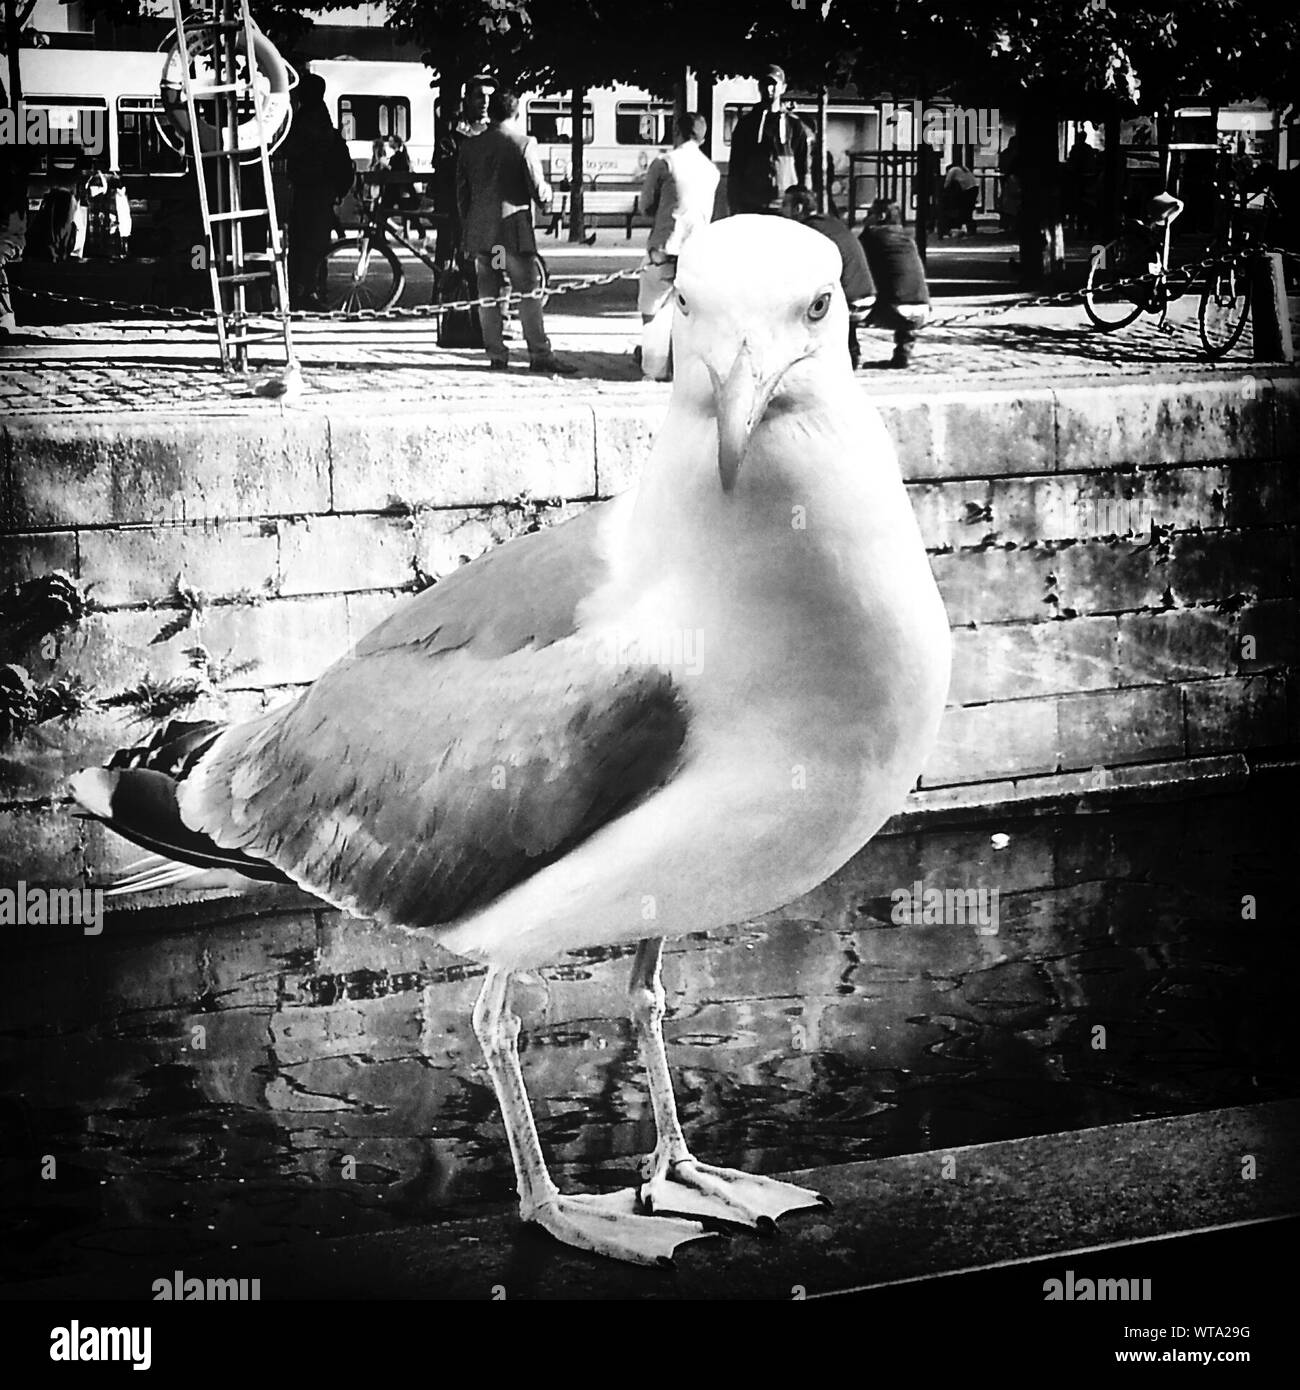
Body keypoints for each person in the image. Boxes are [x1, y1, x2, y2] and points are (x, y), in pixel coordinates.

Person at [457, 89, 576, 374]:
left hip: (485, 240)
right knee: (527, 292)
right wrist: (548, 198)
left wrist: (468, 231)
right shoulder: (523, 143)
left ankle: (497, 354)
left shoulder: (470, 147)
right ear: (516, 113)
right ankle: (539, 353)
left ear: (492, 112)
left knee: (490, 293)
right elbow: (536, 186)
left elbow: (462, 195)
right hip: (511, 236)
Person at [636, 111, 719, 380]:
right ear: (703, 137)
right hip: (698, 252)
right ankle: (684, 367)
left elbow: (645, 205)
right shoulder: (712, 170)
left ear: (677, 131)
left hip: (664, 246)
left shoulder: (665, 163)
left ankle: (654, 367)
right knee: (689, 313)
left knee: (652, 308)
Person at [780, 185, 875, 368]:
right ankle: (851, 351)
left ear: (798, 208)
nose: (781, 210)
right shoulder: (832, 223)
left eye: (785, 204)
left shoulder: (808, 232)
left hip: (848, 303)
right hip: (866, 296)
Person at [283, 73, 351, 310]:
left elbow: (292, 154)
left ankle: (299, 291)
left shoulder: (301, 121)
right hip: (323, 194)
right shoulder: (324, 121)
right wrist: (338, 190)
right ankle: (314, 290)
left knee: (300, 245)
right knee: (317, 246)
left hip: (304, 193)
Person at [727, 64, 810, 216]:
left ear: (783, 88)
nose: (769, 89)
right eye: (764, 84)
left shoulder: (794, 125)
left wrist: (804, 203)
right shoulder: (747, 124)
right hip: (751, 206)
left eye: (774, 84)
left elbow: (803, 167)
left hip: (785, 207)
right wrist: (733, 204)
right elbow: (735, 168)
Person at [857, 198, 931, 368]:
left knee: (853, 302)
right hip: (923, 310)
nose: (865, 219)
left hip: (893, 311)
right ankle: (903, 353)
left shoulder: (871, 235)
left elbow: (859, 267)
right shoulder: (907, 238)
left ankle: (852, 352)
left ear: (881, 216)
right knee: (902, 286)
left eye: (870, 214)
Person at [938, 162, 978, 237]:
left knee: (964, 209)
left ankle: (966, 227)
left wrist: (943, 190)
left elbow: (947, 181)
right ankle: (971, 228)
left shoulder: (952, 170)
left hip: (967, 190)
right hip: (974, 188)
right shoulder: (964, 168)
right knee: (969, 208)